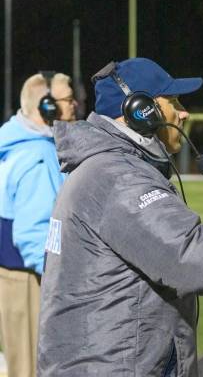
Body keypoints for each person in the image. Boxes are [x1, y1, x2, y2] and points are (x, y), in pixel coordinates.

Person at [37, 58, 203, 377]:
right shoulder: (120, 177)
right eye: (174, 102)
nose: (184, 113)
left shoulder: (105, 169)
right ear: (141, 110)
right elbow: (201, 261)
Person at [0, 72, 77, 377]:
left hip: (17, 276)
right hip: (29, 278)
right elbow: (33, 234)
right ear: (47, 107)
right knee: (31, 370)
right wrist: (57, 282)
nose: (75, 105)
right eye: (68, 99)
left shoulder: (20, 142)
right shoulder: (37, 154)